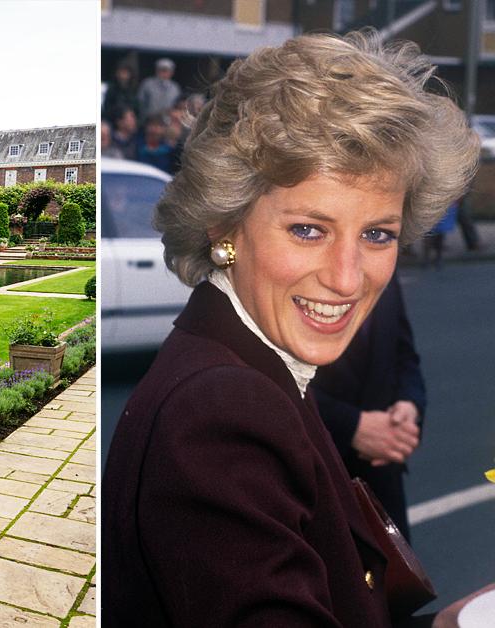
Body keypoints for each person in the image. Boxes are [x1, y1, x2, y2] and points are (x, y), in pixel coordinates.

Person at [102, 30, 478, 628]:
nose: (348, 278)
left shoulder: (256, 369)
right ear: (224, 226)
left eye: (377, 234)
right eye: (309, 229)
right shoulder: (223, 413)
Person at [311, 272, 425, 542]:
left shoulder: (385, 262)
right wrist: (352, 426)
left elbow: (403, 351)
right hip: (314, 480)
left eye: (381, 233)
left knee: (398, 582)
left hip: (382, 480)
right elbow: (259, 370)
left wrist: (409, 403)